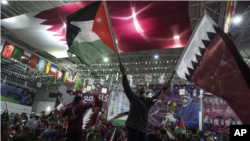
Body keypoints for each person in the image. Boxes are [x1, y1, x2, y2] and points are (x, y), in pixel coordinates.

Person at [119, 57, 171, 141]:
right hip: (132, 127)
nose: (142, 86)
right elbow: (127, 87)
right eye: (140, 85)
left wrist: (163, 88)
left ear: (145, 89)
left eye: (143, 85)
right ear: (137, 89)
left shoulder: (148, 101)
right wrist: (124, 74)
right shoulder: (133, 97)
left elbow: (155, 97)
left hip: (143, 128)